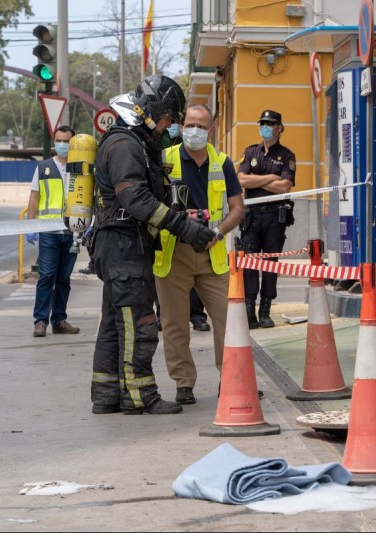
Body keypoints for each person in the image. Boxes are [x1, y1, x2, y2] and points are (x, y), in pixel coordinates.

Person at [89, 75, 216, 415]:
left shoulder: (132, 142)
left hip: (121, 244)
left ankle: (106, 396)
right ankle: (139, 396)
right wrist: (184, 227)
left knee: (115, 323)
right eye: (169, 118)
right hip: (124, 246)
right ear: (150, 111)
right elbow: (135, 198)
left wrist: (178, 214)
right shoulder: (126, 145)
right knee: (138, 323)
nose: (170, 126)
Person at [153, 103, 244, 405]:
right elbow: (150, 203)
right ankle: (183, 384)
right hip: (173, 251)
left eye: (202, 126)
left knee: (227, 321)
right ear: (181, 126)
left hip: (211, 251)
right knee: (175, 323)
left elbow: (237, 209)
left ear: (211, 129)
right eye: (190, 124)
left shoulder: (222, 162)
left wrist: (217, 233)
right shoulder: (164, 159)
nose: (195, 131)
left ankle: (230, 379)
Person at [237, 109, 296, 329]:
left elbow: (285, 185)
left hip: (275, 217)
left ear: (280, 128)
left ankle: (265, 311)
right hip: (251, 217)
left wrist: (257, 180)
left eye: (270, 123)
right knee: (249, 263)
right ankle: (249, 311)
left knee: (270, 265)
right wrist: (271, 178)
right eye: (263, 123)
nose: (266, 127)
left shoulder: (287, 156)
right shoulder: (250, 152)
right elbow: (241, 180)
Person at [25, 125, 80, 338]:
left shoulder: (81, 167)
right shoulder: (44, 167)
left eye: (67, 141)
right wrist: (30, 226)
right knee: (47, 275)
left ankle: (59, 320)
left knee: (64, 278)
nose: (62, 145)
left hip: (72, 232)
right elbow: (34, 197)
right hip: (48, 231)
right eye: (59, 140)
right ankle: (40, 321)